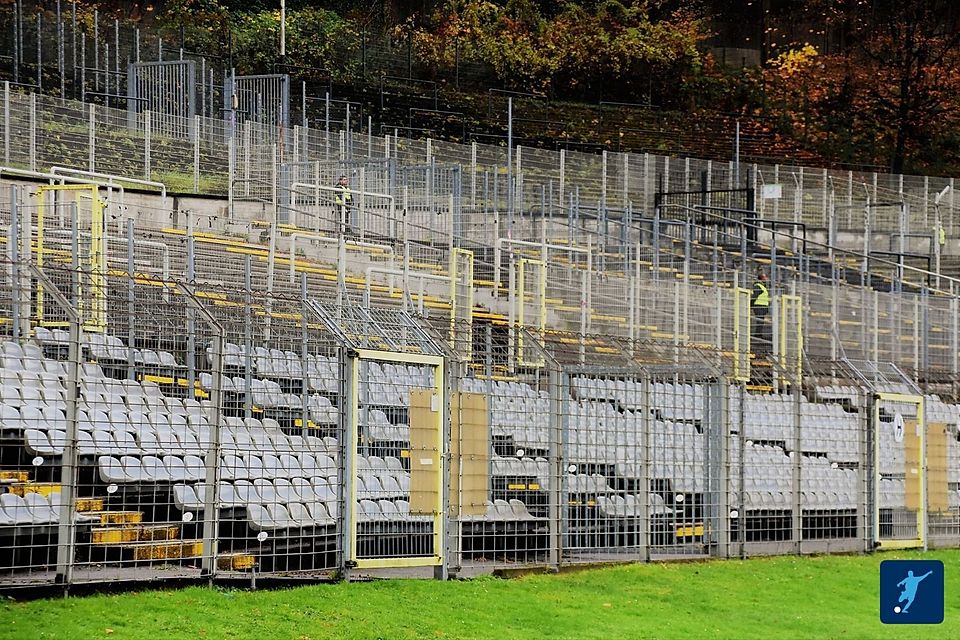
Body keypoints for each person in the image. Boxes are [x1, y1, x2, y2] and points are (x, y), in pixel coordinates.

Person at [752, 272, 771, 353]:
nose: (767, 279)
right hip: (759, 306)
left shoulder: (763, 286)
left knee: (760, 321)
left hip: (762, 306)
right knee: (759, 321)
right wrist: (751, 305)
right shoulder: (758, 286)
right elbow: (754, 297)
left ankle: (758, 334)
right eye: (765, 277)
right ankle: (757, 335)